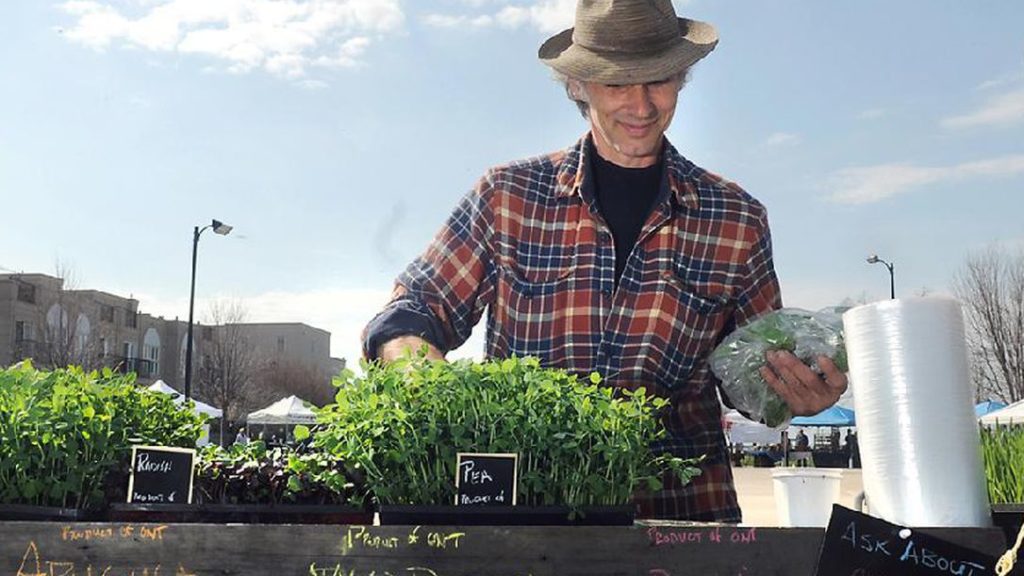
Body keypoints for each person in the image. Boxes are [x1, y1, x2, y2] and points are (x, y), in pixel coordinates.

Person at [362, 0, 847, 522]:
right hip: (532, 513)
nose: (641, 105)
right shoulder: (507, 197)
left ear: (681, 77)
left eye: (658, 79)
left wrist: (798, 390)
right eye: (617, 84)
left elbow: (749, 377)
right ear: (578, 84)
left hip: (678, 516)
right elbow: (417, 306)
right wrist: (418, 372)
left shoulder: (736, 219)